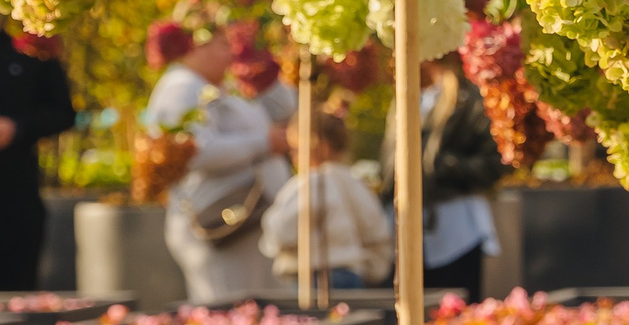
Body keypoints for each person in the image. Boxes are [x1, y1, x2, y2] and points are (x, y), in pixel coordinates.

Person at [144, 22, 291, 304]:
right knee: (229, 313)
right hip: (221, 227)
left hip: (246, 223)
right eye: (223, 45)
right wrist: (263, 143)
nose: (231, 53)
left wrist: (263, 65)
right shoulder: (181, 87)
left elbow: (285, 107)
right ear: (196, 46)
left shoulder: (222, 85)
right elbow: (196, 151)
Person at [384, 59, 502, 296]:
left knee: (455, 305)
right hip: (405, 225)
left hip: (455, 228)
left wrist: (445, 166)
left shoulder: (468, 99)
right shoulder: (404, 101)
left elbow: (494, 163)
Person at [262, 111, 392, 289]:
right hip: (352, 274)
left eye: (296, 149)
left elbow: (281, 232)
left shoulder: (311, 183)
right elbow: (376, 231)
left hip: (316, 277)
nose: (292, 156)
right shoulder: (356, 183)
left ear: (319, 146)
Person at [0, 34, 75, 291]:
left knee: (15, 289)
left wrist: (17, 128)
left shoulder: (30, 45)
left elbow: (62, 112)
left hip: (15, 197)